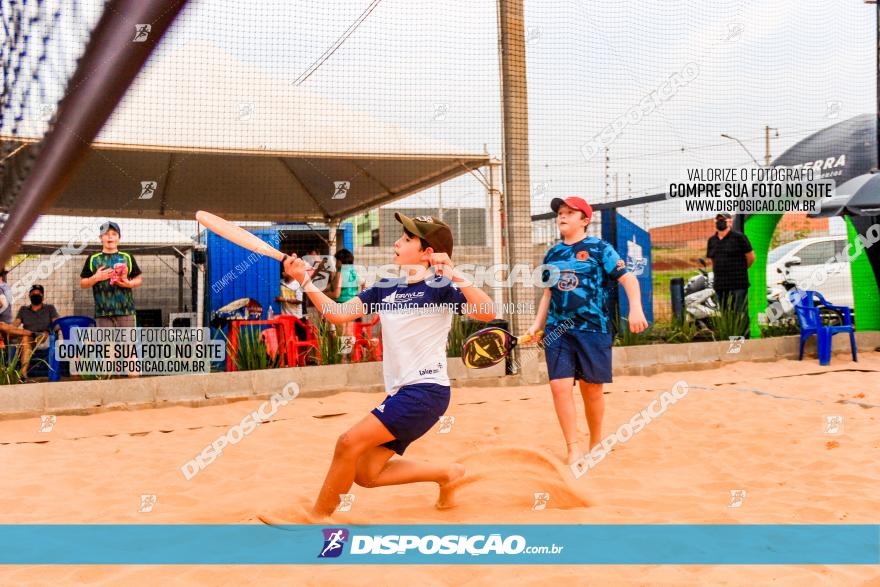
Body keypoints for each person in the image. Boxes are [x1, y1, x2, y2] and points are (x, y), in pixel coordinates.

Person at [282, 213, 495, 519]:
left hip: (426, 391)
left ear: (427, 252)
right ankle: (448, 473)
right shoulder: (386, 287)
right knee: (366, 474)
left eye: (407, 239)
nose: (397, 242)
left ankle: (316, 520)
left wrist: (454, 272)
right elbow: (338, 313)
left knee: (347, 443)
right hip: (402, 394)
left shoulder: (441, 287)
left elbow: (487, 312)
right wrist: (304, 279)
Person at [527, 196, 648, 465]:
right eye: (560, 212)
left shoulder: (600, 248)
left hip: (593, 328)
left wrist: (636, 309)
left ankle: (596, 440)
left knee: (591, 390)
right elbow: (548, 293)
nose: (562, 216)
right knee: (559, 387)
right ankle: (573, 448)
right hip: (558, 330)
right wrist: (538, 325)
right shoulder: (553, 254)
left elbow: (627, 279)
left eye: (570, 212)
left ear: (584, 220)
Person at [79, 221, 143, 327]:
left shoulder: (127, 257)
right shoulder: (93, 258)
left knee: (128, 344)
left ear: (119, 238)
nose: (110, 237)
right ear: (100, 237)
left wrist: (128, 283)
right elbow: (82, 283)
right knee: (106, 344)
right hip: (103, 313)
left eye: (114, 234)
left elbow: (138, 279)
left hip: (126, 311)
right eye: (106, 234)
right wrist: (96, 278)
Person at [706, 213, 755, 335]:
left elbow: (751, 257)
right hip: (720, 285)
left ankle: (742, 340)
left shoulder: (739, 237)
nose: (720, 221)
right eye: (718, 219)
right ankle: (729, 338)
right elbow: (713, 260)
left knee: (740, 313)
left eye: (723, 219)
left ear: (730, 222)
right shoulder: (712, 241)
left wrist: (740, 269)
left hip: (738, 283)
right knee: (725, 314)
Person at [11, 284, 59, 381]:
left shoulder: (50, 308)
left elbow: (57, 325)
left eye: (38, 293)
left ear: (43, 296)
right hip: (29, 338)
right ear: (29, 295)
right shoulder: (23, 309)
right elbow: (14, 325)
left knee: (33, 337)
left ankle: (22, 373)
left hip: (45, 338)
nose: (36, 295)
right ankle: (23, 374)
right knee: (25, 338)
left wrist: (47, 331)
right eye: (33, 293)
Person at [329, 248, 364, 353]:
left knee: (341, 333)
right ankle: (351, 356)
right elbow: (364, 283)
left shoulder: (340, 273)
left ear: (340, 261)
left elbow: (336, 294)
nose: (335, 264)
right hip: (353, 303)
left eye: (336, 261)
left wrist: (323, 294)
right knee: (349, 332)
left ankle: (343, 357)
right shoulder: (354, 272)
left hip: (342, 304)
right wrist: (360, 296)